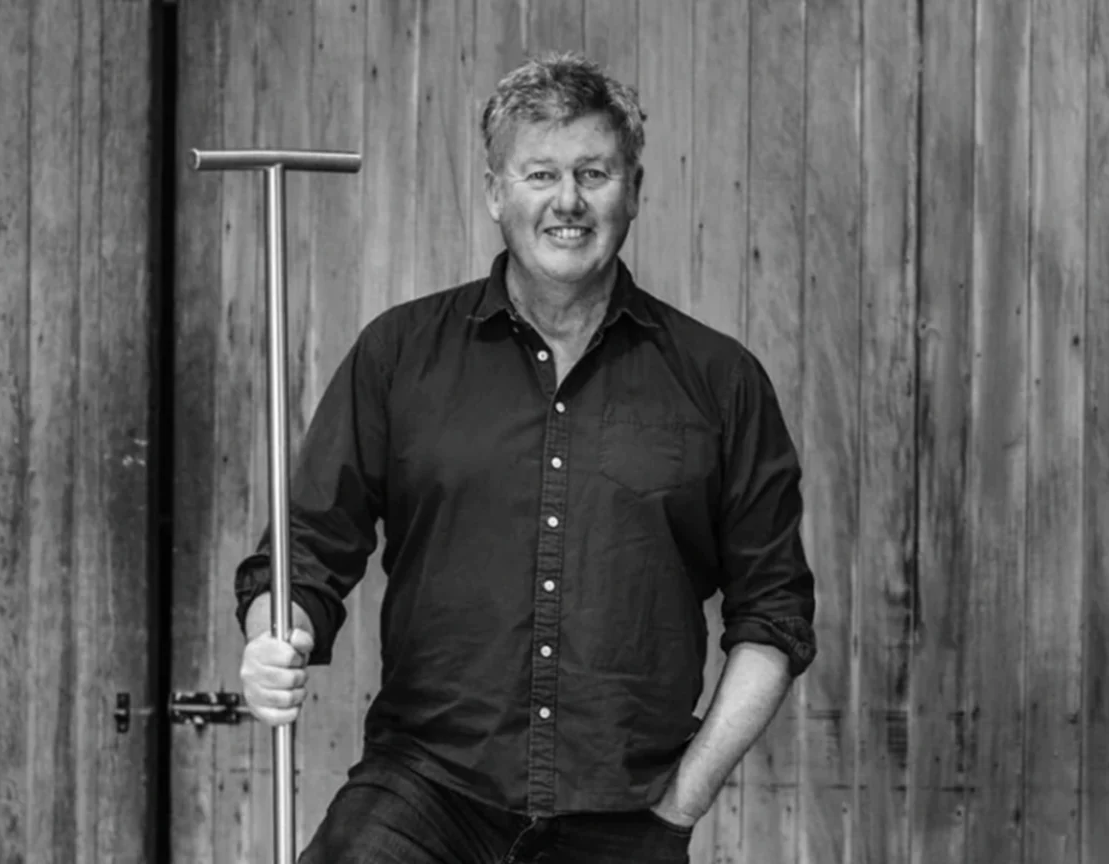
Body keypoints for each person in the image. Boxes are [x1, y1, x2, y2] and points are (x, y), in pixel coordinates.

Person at [233, 51, 817, 864]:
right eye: (540, 173)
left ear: (634, 191)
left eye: (593, 173)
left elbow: (775, 612)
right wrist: (275, 636)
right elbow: (306, 553)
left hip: (625, 813)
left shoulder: (721, 382)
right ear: (494, 193)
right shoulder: (399, 355)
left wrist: (680, 806)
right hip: (425, 789)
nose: (567, 201)